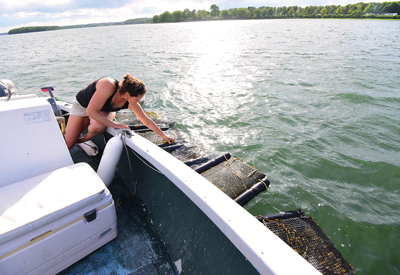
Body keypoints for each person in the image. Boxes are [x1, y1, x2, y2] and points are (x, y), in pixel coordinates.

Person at [65, 74, 174, 149]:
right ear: (127, 94)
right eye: (137, 99)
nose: (139, 101)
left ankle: (82, 140)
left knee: (96, 127)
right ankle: (111, 114)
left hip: (102, 110)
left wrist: (164, 136)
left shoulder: (131, 103)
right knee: (68, 145)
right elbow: (91, 112)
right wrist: (114, 125)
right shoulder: (108, 85)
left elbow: (147, 121)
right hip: (82, 106)